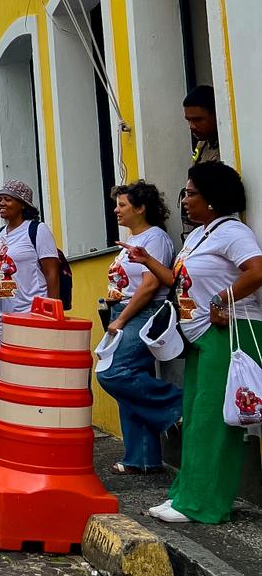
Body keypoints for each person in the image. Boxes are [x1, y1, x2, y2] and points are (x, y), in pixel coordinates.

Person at [145, 163, 262, 524]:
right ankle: (185, 493)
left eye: (192, 193)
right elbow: (181, 282)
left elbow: (256, 271)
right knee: (195, 417)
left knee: (214, 421)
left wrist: (221, 300)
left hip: (230, 334)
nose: (185, 200)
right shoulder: (198, 236)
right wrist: (147, 261)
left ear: (212, 199)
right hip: (199, 335)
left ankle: (205, 504)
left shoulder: (233, 232)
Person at [95, 182, 182, 474]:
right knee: (133, 380)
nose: (116, 210)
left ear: (141, 208)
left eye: (122, 205)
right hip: (125, 309)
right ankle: (142, 458)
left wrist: (120, 320)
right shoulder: (131, 240)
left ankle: (177, 407)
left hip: (142, 312)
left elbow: (150, 285)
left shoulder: (154, 238)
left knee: (113, 373)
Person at [0, 180, 60, 342]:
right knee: (9, 364)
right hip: (2, 315)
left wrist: (52, 313)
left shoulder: (37, 230)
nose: (1, 203)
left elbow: (51, 272)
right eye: (0, 200)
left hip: (31, 311)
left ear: (23, 204)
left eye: (8, 199)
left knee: (32, 362)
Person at [180, 85, 220, 238]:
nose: (192, 126)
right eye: (188, 120)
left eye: (197, 119)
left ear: (216, 114)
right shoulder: (202, 144)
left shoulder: (229, 143)